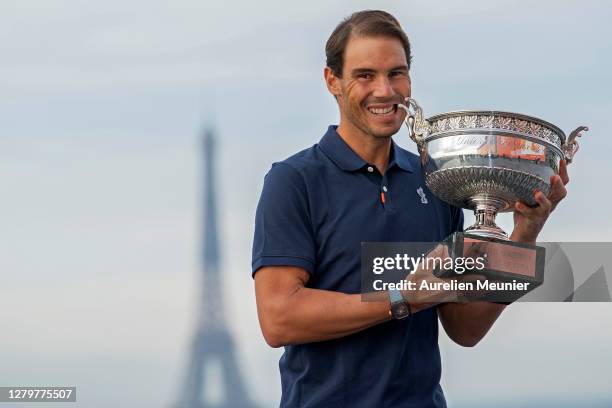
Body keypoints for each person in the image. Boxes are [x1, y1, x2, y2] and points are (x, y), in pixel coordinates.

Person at [251, 10, 569, 408]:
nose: (384, 91)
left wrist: (524, 235)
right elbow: (279, 318)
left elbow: (465, 329)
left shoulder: (436, 182)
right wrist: (403, 296)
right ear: (332, 80)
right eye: (365, 75)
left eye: (396, 73)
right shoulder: (293, 181)